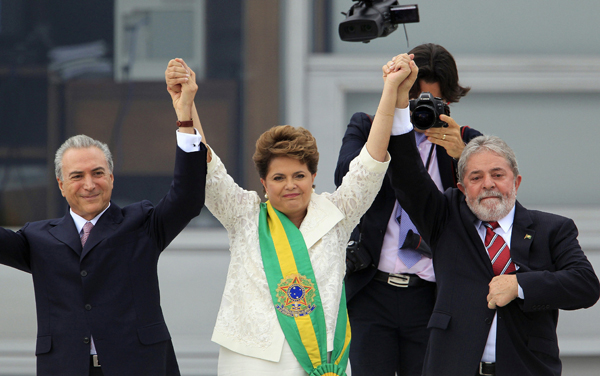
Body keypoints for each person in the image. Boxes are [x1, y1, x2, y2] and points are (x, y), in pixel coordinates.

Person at [165, 55, 416, 375]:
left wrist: (391, 91)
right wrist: (186, 108)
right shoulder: (245, 216)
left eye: (298, 176)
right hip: (251, 360)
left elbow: (369, 165)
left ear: (313, 176)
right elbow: (208, 169)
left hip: (322, 360)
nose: (290, 186)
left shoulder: (337, 216)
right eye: (279, 178)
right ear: (263, 183)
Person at [385, 55, 600, 375]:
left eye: (498, 174)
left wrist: (519, 285)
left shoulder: (552, 229)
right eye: (476, 177)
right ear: (461, 185)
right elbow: (406, 175)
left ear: (517, 181)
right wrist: (399, 100)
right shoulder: (445, 219)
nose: (488, 185)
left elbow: (585, 285)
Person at [0, 60, 207, 376]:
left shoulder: (142, 224)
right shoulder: (38, 238)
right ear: (60, 184)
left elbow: (188, 197)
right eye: (77, 175)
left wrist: (184, 115)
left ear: (111, 177)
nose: (89, 184)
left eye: (98, 173)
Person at [334, 43, 481, 376]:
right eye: (414, 103)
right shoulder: (368, 126)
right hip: (371, 291)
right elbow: (344, 176)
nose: (421, 113)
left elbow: (488, 205)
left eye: (432, 102)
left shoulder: (465, 140)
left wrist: (463, 155)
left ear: (449, 101)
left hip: (432, 296)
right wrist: (388, 128)